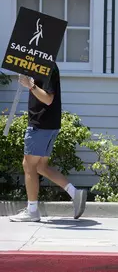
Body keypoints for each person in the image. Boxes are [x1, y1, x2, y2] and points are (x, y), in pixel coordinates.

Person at [9, 65, 87, 222]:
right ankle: (74, 193)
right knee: (40, 167)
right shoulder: (40, 65)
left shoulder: (46, 66)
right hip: (48, 124)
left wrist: (30, 85)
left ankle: (32, 211)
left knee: (29, 165)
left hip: (40, 124)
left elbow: (48, 98)